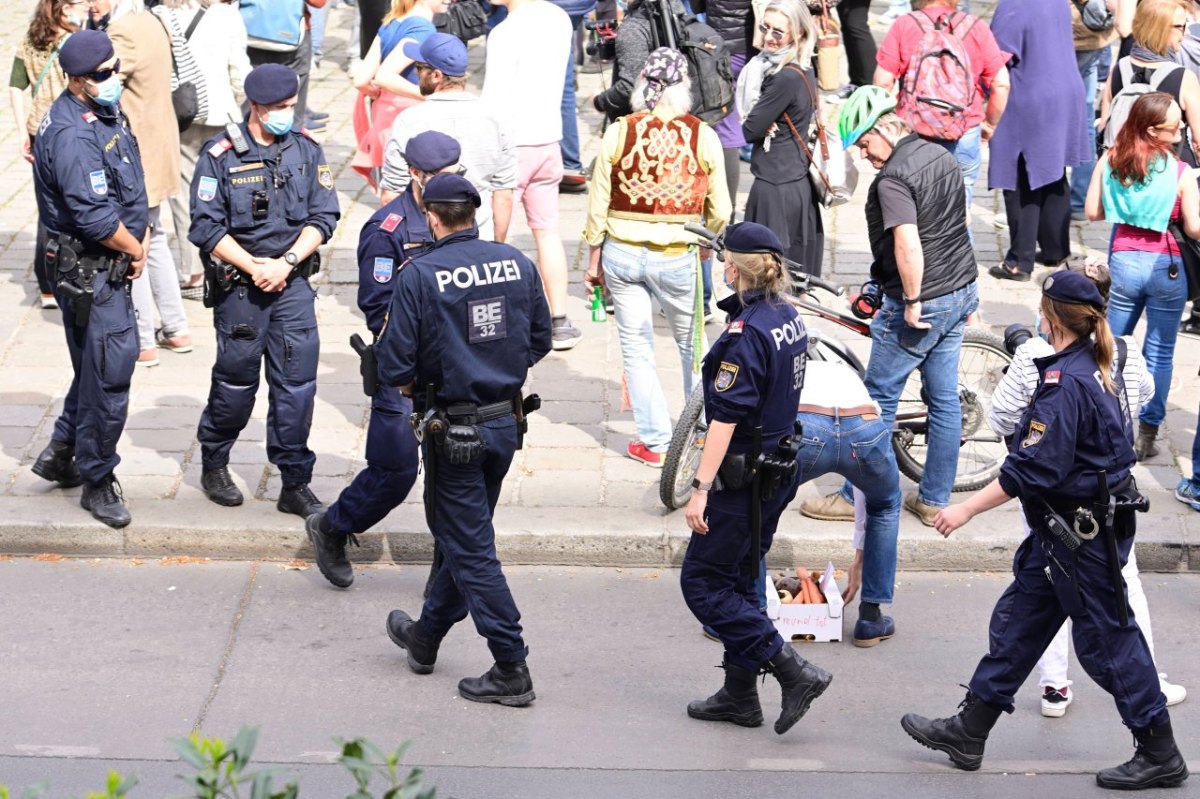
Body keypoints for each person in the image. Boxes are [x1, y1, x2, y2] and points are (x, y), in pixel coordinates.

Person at [901, 271, 1190, 792]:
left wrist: (965, 510)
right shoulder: (1091, 362)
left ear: (1051, 316)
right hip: (1066, 532)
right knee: (1022, 622)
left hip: (1081, 536)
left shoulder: (1066, 382)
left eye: (1041, 307)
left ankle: (1159, 751)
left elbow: (1030, 470)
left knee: (1108, 642)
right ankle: (970, 730)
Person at [376, 173, 552, 707]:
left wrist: (436, 378)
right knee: (463, 534)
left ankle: (511, 665)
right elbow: (540, 339)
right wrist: (494, 369)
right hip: (504, 424)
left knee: (472, 550)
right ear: (475, 213)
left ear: (431, 217)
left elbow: (394, 364)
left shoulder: (419, 274)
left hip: (454, 431)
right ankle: (425, 637)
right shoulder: (516, 262)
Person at [991, 260, 1186, 717]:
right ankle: (1150, 682)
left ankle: (1055, 687)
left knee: (1050, 584)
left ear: (1054, 313)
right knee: (1124, 589)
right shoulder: (1124, 350)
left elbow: (1000, 417)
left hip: (1050, 497)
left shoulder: (1036, 355)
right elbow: (1142, 397)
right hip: (1108, 495)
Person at [680, 222, 832, 736]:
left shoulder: (745, 335)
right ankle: (740, 694)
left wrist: (700, 488)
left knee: (703, 583)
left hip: (743, 479)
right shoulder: (787, 314)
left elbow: (724, 420)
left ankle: (793, 670)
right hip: (776, 469)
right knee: (742, 580)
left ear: (731, 269)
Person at [802, 86, 977, 526]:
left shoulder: (893, 180)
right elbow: (958, 223)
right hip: (959, 289)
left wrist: (913, 301)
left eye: (864, 144)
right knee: (944, 400)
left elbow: (908, 244)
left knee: (875, 399)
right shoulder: (940, 156)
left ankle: (853, 498)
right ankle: (933, 499)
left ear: (883, 129)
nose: (864, 155)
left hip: (923, 299)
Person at [306, 131, 459, 588]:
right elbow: (378, 308)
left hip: (453, 366)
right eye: (440, 176)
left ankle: (446, 575)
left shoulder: (459, 212)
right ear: (415, 174)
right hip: (403, 367)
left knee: (454, 474)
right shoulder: (387, 229)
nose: (450, 184)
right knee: (395, 471)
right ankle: (333, 527)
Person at [188, 64, 341, 517]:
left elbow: (324, 216)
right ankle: (215, 462)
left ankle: (294, 481)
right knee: (235, 383)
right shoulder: (220, 155)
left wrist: (286, 262)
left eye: (292, 105)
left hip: (291, 283)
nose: (288, 114)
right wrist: (254, 267)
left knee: (297, 386)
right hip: (243, 289)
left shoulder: (306, 149)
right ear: (256, 107)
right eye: (279, 107)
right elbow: (205, 227)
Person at [582, 48, 731, 467]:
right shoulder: (701, 134)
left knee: (636, 348)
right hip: (677, 252)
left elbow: (598, 203)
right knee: (693, 345)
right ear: (684, 87)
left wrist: (593, 259)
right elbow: (721, 208)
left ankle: (655, 442)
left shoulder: (619, 131)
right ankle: (701, 432)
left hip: (622, 252)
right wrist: (709, 239)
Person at [29, 30, 148, 528]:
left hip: (105, 264)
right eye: (103, 74)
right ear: (77, 80)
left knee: (94, 368)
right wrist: (135, 248)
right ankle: (97, 480)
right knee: (109, 374)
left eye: (115, 68)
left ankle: (62, 451)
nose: (114, 78)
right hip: (94, 269)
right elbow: (95, 217)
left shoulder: (98, 111)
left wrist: (137, 239)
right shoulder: (73, 135)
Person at [1085, 92, 1200, 459]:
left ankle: (1106, 421)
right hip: (1168, 266)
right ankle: (1148, 431)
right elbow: (1194, 228)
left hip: (1123, 262)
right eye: (1174, 125)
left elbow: (1092, 211)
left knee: (1111, 346)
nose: (1181, 128)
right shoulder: (1180, 172)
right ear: (1152, 130)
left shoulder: (1112, 159)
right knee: (1160, 352)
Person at [94, 0, 188, 368]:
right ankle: (176, 327)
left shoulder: (122, 30)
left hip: (137, 150)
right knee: (156, 235)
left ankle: (143, 338)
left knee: (133, 242)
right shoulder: (149, 18)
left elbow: (100, 82)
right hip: (158, 142)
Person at [483, 0, 582, 351]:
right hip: (548, 139)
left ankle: (497, 318)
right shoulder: (558, 18)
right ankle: (559, 319)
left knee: (496, 238)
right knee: (548, 232)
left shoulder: (504, 33)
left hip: (512, 144)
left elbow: (491, 102)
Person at [794, 359, 903, 647]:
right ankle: (870, 618)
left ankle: (753, 608)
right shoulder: (845, 373)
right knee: (885, 505)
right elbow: (865, 493)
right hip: (864, 426)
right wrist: (858, 558)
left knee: (757, 503)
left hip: (808, 427)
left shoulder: (790, 365)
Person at [873, 0, 1011, 214]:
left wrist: (886, 125)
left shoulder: (904, 24)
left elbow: (882, 83)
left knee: (914, 208)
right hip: (964, 129)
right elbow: (1001, 84)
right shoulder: (976, 27)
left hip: (914, 132)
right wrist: (990, 125)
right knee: (959, 213)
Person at [378, 33, 516, 242]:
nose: (416, 74)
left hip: (424, 241)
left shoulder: (410, 120)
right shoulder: (497, 118)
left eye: (419, 68)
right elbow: (503, 194)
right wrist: (496, 246)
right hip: (480, 237)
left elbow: (391, 194)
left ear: (436, 75)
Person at [987, 0, 1089, 281]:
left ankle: (1019, 262)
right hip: (1064, 89)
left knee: (1022, 176)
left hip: (1031, 95)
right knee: (1053, 172)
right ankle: (1056, 249)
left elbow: (997, 57)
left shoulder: (1014, 5)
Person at [160, 0, 252, 301]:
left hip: (181, 113)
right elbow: (239, 70)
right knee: (228, 190)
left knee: (184, 192)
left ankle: (194, 271)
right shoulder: (227, 14)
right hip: (221, 112)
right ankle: (230, 259)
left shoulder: (163, 14)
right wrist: (234, 103)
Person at [9, 0, 89, 311]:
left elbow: (16, 87)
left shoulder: (30, 40)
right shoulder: (76, 42)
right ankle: (68, 271)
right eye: (80, 3)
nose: (86, 7)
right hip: (68, 130)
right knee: (73, 203)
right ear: (63, 8)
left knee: (47, 205)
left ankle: (46, 284)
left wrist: (21, 131)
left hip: (36, 129)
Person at [738, 0, 825, 276]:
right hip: (795, 180)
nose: (768, 37)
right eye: (765, 28)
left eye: (778, 32)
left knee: (768, 278)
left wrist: (759, 118)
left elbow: (750, 129)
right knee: (792, 281)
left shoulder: (783, 78)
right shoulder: (803, 67)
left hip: (776, 188)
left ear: (799, 33)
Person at [349, 0, 445, 185]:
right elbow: (385, 75)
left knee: (390, 185)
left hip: (383, 119)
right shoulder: (423, 30)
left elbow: (360, 80)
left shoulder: (391, 22)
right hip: (409, 122)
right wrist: (431, 96)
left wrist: (376, 93)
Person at [1101, 0, 1200, 167]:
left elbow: (1105, 127)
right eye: (1182, 26)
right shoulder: (1184, 77)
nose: (1187, 32)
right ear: (1160, 28)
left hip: (1124, 169)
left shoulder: (1118, 70)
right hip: (1170, 170)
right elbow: (1198, 139)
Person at [1070, 0, 1120, 222]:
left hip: (1072, 33)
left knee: (1055, 114)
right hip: (1095, 31)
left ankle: (1047, 197)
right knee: (1085, 115)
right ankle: (1080, 199)